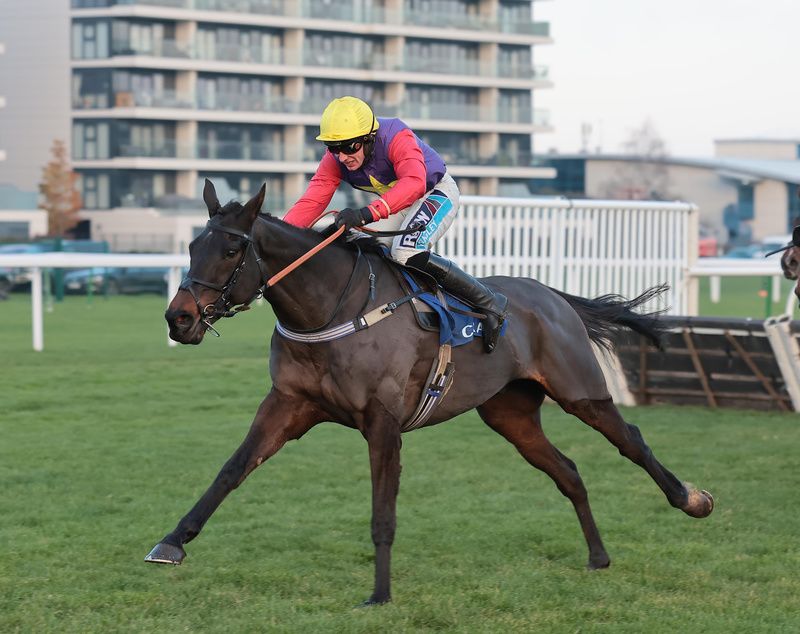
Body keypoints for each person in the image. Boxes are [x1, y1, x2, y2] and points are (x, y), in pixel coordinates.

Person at [282, 96, 508, 352]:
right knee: (349, 241)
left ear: (369, 138)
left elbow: (414, 182)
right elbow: (314, 198)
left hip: (434, 192)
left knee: (405, 250)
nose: (342, 156)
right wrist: (277, 232)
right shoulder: (335, 158)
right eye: (334, 148)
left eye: (349, 146)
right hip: (398, 203)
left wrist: (367, 213)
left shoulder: (395, 135)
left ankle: (489, 302)